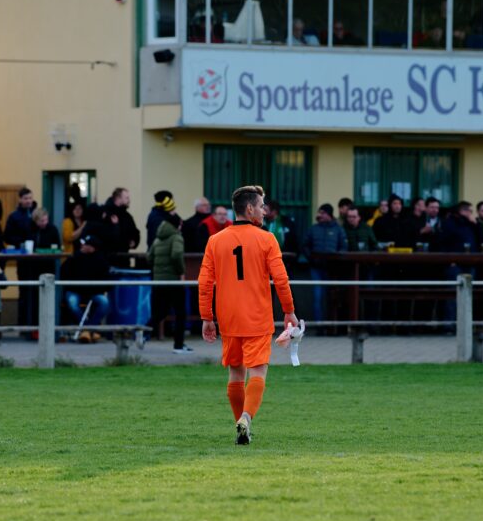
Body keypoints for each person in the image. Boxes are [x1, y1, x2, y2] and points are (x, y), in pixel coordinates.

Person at [198, 185, 297, 445]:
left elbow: (205, 282)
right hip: (257, 317)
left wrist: (206, 317)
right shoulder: (266, 239)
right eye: (262, 205)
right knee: (258, 372)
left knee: (235, 374)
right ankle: (246, 417)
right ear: (250, 208)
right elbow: (281, 279)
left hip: (229, 318)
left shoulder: (215, 240)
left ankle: (242, 427)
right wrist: (289, 311)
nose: (264, 210)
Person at [148, 213, 191, 354]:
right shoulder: (176, 237)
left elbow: (150, 257)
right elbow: (177, 255)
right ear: (177, 224)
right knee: (180, 313)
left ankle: (142, 332)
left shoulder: (158, 238)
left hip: (159, 281)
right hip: (173, 281)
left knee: (160, 312)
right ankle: (178, 345)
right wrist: (181, 272)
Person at [61, 231, 112, 344]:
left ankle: (88, 329)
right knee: (72, 302)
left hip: (93, 292)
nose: (82, 246)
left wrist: (97, 289)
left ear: (92, 247)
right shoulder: (75, 257)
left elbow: (108, 282)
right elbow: (63, 272)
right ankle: (89, 330)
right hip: (75, 290)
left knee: (105, 302)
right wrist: (75, 256)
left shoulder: (101, 261)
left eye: (86, 245)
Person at [302, 203, 346, 323]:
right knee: (318, 297)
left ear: (329, 214)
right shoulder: (314, 228)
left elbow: (343, 247)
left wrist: (337, 258)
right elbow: (305, 245)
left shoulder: (338, 229)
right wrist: (311, 258)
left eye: (322, 213)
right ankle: (319, 325)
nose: (319, 215)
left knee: (331, 297)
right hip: (316, 267)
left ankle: (331, 324)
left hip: (332, 269)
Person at [4, 188, 38, 332]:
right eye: (25, 198)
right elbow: (7, 236)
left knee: (36, 291)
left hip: (36, 260)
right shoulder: (14, 217)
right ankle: (23, 323)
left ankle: (36, 323)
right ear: (20, 199)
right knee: (24, 291)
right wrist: (21, 243)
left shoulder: (36, 214)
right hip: (23, 259)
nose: (28, 201)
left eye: (30, 198)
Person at [103, 187, 140, 252]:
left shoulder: (127, 216)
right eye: (126, 198)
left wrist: (134, 241)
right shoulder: (106, 214)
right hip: (109, 258)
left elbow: (134, 232)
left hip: (124, 256)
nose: (129, 200)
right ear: (118, 199)